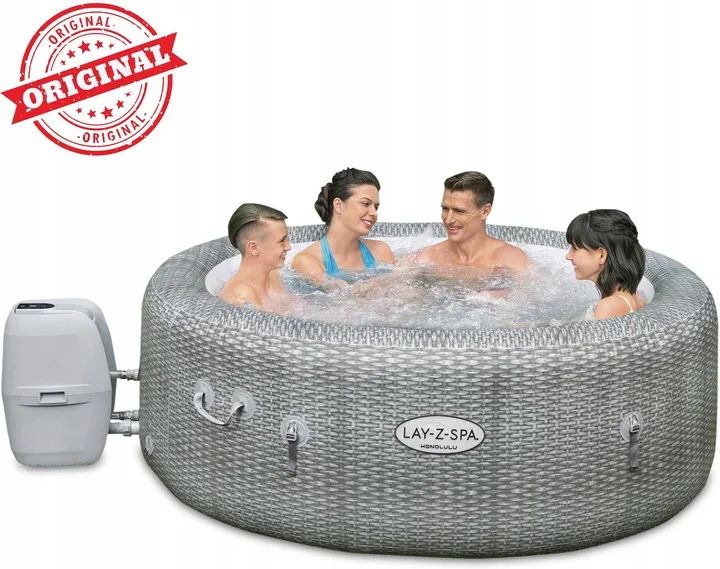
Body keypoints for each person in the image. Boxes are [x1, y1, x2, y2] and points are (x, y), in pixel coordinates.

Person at [406, 171, 529, 272]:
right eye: (445, 209)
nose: (448, 219)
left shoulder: (511, 260)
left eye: (459, 211)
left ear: (485, 211)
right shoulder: (425, 260)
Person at [292, 168, 394, 284]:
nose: (374, 213)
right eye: (366, 204)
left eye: (376, 207)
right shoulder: (307, 261)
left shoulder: (381, 251)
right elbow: (343, 293)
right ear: (338, 205)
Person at [565, 209, 646, 319]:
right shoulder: (634, 296)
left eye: (575, 248)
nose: (568, 256)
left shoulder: (609, 307)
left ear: (601, 255)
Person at [219, 203, 292, 309]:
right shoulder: (240, 298)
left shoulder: (273, 274)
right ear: (254, 248)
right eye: (281, 241)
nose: (288, 247)